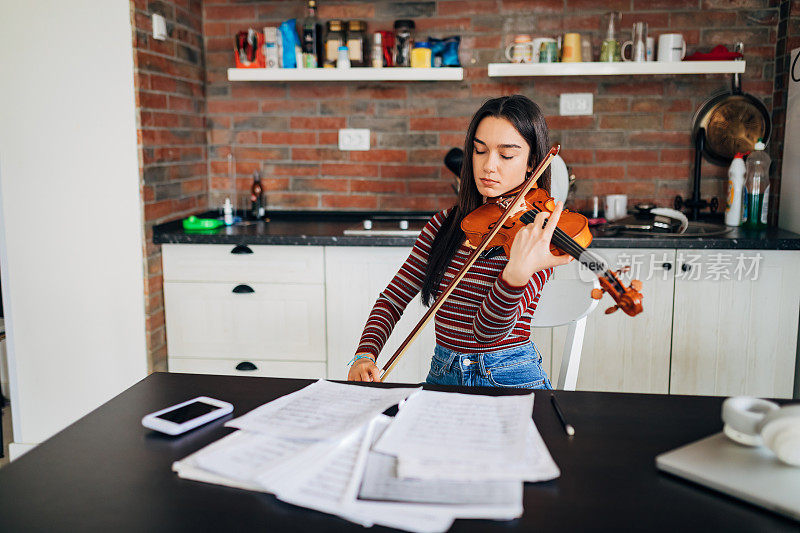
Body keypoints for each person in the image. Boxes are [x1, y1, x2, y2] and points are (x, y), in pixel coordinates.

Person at [347, 95, 572, 388]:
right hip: (443, 375)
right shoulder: (444, 224)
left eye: (506, 155)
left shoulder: (538, 235)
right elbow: (393, 297)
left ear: (532, 164)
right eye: (480, 151)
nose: (489, 166)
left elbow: (486, 333)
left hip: (510, 379)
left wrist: (514, 275)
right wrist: (365, 354)